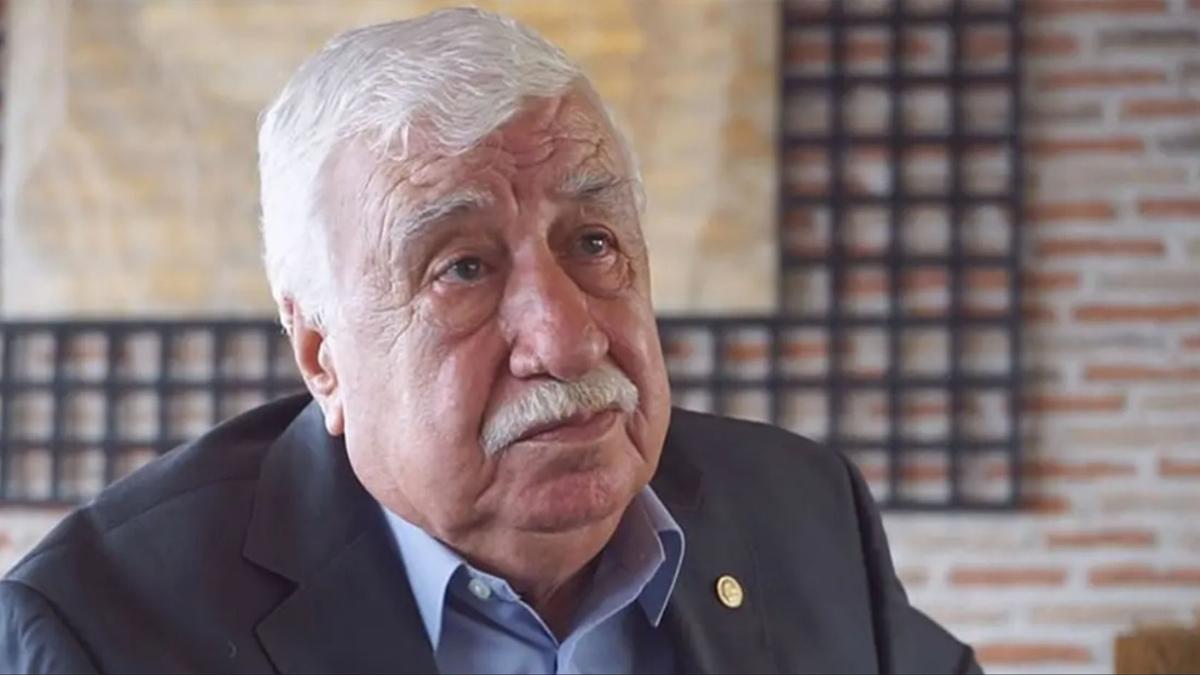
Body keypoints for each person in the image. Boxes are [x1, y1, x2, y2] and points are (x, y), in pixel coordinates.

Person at [0, 8, 980, 674]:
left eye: (593, 243)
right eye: (462, 267)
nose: (567, 340)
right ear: (323, 357)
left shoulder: (805, 514)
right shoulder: (103, 628)